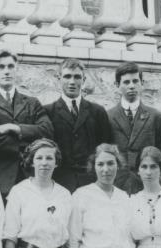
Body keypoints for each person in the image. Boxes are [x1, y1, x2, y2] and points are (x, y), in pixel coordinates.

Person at [0, 49, 53, 197]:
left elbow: (47, 131)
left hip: (31, 179)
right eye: (1, 67)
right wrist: (28, 146)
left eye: (10, 66)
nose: (6, 71)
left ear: (16, 68)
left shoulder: (32, 103)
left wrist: (14, 127)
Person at [43, 59, 112, 193]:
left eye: (77, 77)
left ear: (84, 79)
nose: (72, 82)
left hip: (91, 182)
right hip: (59, 183)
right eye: (67, 76)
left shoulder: (97, 112)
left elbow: (106, 147)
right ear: (59, 78)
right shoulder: (48, 112)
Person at [107, 62, 161, 195]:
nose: (131, 86)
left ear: (142, 83)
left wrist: (158, 180)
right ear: (117, 85)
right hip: (117, 186)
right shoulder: (108, 117)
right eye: (126, 82)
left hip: (147, 185)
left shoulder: (154, 116)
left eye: (135, 81)